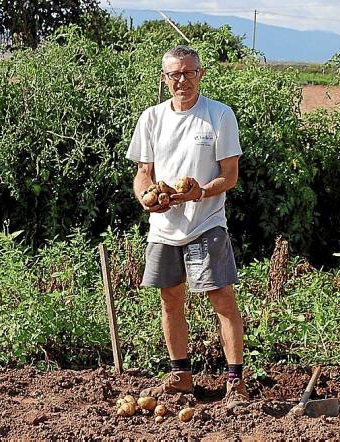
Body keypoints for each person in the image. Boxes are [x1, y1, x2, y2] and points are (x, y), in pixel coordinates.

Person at [125, 45, 248, 409]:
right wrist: (147, 196)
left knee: (222, 298)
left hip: (207, 222)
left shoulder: (219, 116)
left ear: (201, 74)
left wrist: (200, 192)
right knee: (170, 299)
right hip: (164, 226)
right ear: (165, 79)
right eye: (175, 74)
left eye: (189, 72)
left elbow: (230, 176)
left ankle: (235, 381)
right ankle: (181, 377)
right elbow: (143, 173)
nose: (183, 80)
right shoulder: (151, 118)